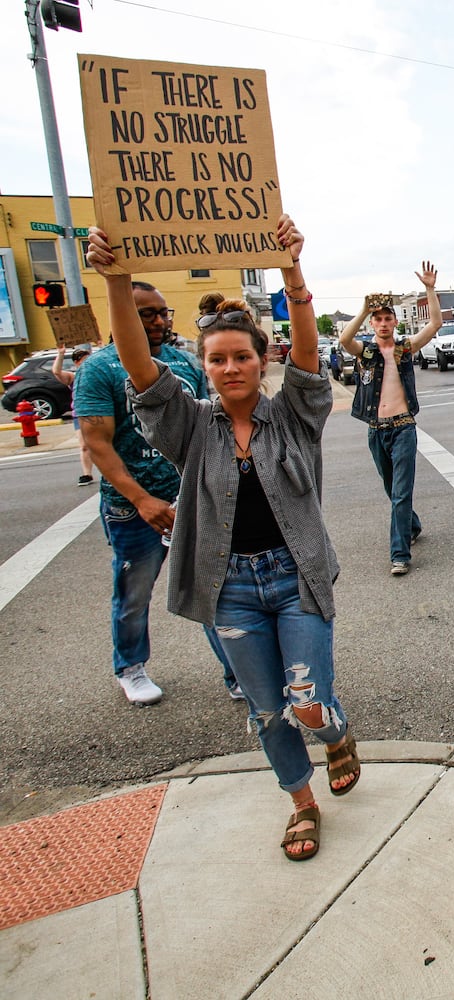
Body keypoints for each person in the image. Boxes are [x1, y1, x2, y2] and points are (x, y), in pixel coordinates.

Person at [88, 215, 360, 863]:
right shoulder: (188, 426)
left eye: (242, 355)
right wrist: (117, 280)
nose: (231, 367)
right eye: (218, 359)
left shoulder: (294, 415)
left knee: (310, 704)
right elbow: (138, 365)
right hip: (231, 588)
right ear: (203, 366)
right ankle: (301, 804)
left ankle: (338, 734)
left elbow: (309, 356)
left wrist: (293, 271)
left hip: (295, 578)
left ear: (261, 358)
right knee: (269, 711)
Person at [73, 279, 237, 704]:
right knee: (135, 592)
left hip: (190, 500)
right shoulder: (99, 368)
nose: (161, 320)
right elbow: (98, 442)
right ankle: (130, 666)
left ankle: (237, 672)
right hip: (134, 510)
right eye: (148, 313)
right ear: (123, 313)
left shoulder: (183, 363)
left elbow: (206, 429)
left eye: (163, 312)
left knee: (212, 589)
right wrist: (142, 500)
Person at [338, 267, 441, 576]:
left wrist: (430, 290)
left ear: (395, 322)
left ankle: (400, 554)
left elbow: (435, 323)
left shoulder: (404, 349)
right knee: (391, 489)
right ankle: (413, 524)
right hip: (376, 430)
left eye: (387, 319)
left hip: (403, 427)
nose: (383, 324)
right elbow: (345, 339)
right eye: (378, 319)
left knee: (400, 492)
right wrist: (364, 308)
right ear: (373, 323)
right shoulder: (366, 352)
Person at [52, 343, 96, 486]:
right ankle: (86, 474)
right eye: (84, 360)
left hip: (100, 412)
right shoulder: (73, 377)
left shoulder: (98, 374)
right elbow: (57, 372)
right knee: (84, 445)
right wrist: (60, 353)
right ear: (77, 362)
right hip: (81, 414)